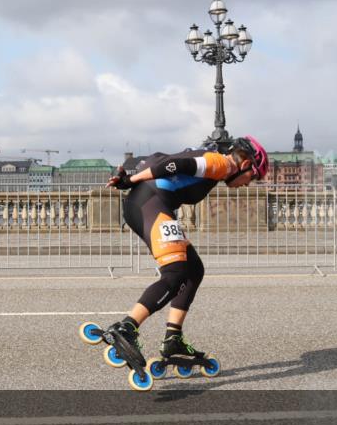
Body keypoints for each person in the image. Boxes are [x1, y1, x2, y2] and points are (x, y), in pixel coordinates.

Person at [100, 136, 270, 372]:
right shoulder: (221, 164)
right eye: (253, 176)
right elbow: (173, 166)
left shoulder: (217, 165)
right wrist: (131, 179)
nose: (248, 184)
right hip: (151, 205)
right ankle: (127, 328)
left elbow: (164, 158)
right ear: (245, 164)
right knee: (175, 273)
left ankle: (173, 338)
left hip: (151, 204)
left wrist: (131, 176)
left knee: (193, 270)